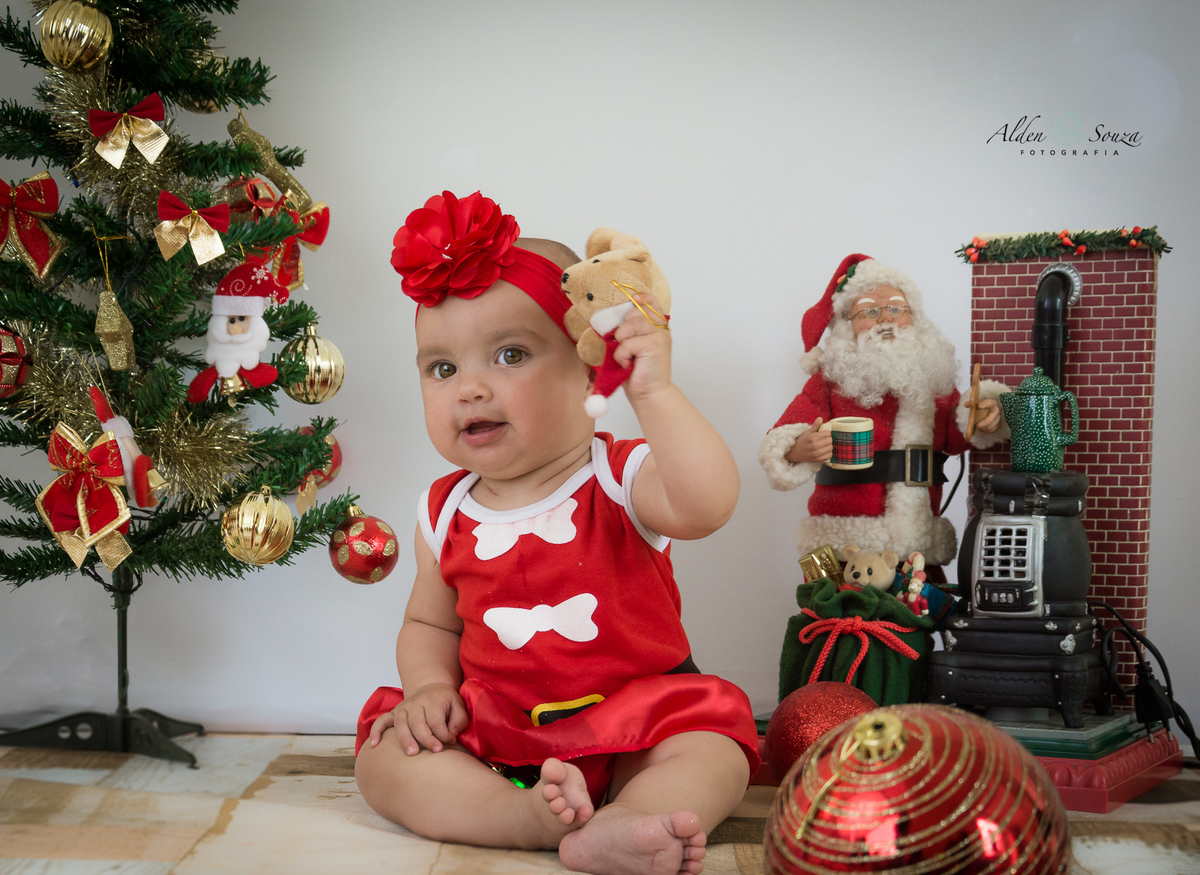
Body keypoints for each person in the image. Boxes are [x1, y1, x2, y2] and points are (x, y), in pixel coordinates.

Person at [354, 191, 758, 875]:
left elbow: (706, 505)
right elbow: (429, 624)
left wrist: (652, 391)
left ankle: (629, 819)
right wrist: (426, 689)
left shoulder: (620, 476)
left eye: (510, 354)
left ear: (591, 366)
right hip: (499, 737)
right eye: (443, 368)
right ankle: (525, 817)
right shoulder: (443, 511)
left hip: (638, 729)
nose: (470, 388)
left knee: (714, 746)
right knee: (384, 758)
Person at [758, 254, 1010, 581]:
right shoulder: (828, 383)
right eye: (870, 311)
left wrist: (984, 415)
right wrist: (797, 449)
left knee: (919, 612)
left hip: (914, 548)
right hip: (837, 546)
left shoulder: (933, 383)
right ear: (846, 324)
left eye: (896, 308)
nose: (885, 319)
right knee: (824, 610)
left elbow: (958, 430)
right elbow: (783, 438)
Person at [185, 262, 287, 403]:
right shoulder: (220, 341)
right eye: (231, 320)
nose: (235, 329)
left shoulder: (251, 344)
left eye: (241, 319)